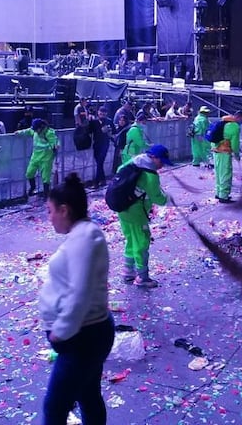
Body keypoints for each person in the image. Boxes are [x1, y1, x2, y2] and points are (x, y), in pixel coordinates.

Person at [39, 173, 114, 425]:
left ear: (64, 209)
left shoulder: (84, 238)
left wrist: (61, 330)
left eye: (50, 211)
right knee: (88, 395)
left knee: (55, 407)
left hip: (82, 338)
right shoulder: (83, 234)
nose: (48, 218)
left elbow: (79, 291)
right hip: (86, 334)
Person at [116, 144, 171, 288]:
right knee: (142, 242)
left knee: (131, 239)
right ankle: (143, 277)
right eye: (161, 162)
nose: (162, 166)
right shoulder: (151, 176)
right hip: (137, 213)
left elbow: (119, 173)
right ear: (153, 157)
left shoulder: (133, 162)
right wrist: (168, 199)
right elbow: (158, 198)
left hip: (122, 208)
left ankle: (128, 271)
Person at [15, 118, 59, 198]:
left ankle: (46, 195)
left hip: (46, 158)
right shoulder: (35, 131)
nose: (35, 131)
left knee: (46, 177)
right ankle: (33, 187)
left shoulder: (49, 133)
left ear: (41, 127)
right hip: (35, 157)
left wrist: (54, 146)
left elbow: (55, 143)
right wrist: (19, 132)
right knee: (29, 173)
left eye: (36, 129)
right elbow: (28, 131)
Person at [212, 110, 242, 204]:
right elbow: (235, 144)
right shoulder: (234, 126)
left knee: (219, 173)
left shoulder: (223, 122)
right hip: (224, 152)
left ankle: (218, 193)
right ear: (238, 117)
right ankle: (224, 196)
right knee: (226, 174)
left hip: (216, 151)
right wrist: (237, 155)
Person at [89, 106, 113, 188]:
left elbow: (114, 132)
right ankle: (103, 180)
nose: (102, 114)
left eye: (104, 113)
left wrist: (109, 131)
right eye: (100, 112)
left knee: (100, 162)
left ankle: (96, 183)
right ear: (98, 112)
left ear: (106, 113)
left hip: (105, 144)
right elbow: (89, 130)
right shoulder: (94, 121)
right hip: (96, 144)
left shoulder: (109, 121)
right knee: (99, 163)